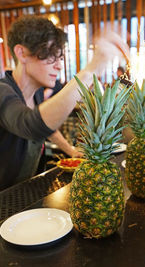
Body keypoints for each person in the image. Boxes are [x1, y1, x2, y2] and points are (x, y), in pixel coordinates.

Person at [0, 15, 130, 191]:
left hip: (27, 189)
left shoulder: (37, 92)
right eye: (50, 55)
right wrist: (90, 70)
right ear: (21, 53)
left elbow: (48, 128)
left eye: (60, 57)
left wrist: (70, 150)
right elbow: (31, 125)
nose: (59, 66)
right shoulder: (2, 91)